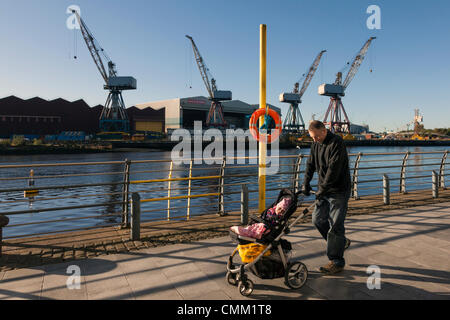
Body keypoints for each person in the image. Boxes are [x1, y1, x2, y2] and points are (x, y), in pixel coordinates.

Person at [301, 121, 351, 274]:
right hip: (323, 189)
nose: (314, 140)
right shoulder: (316, 144)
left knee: (336, 225)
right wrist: (306, 183)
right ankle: (340, 243)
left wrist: (322, 188)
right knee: (317, 220)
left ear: (324, 130)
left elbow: (333, 169)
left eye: (316, 137)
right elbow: (310, 164)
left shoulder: (337, 143)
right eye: (312, 138)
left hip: (338, 190)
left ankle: (336, 261)